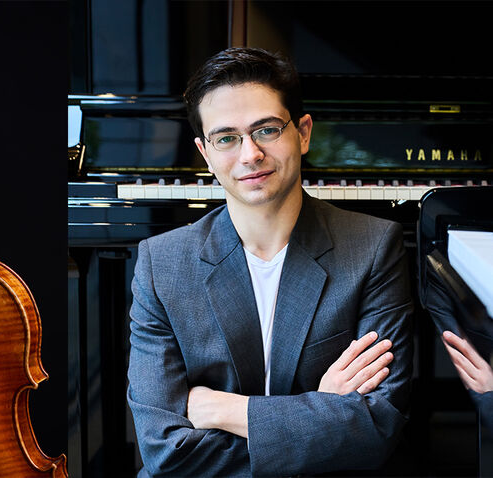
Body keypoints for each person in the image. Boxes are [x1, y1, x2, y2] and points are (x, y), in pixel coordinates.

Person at [126, 47, 413, 476]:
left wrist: (223, 409)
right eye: (227, 138)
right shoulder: (160, 264)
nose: (250, 155)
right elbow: (164, 452)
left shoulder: (373, 247)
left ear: (303, 133)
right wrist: (319, 414)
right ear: (205, 153)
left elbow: (375, 427)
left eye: (266, 130)